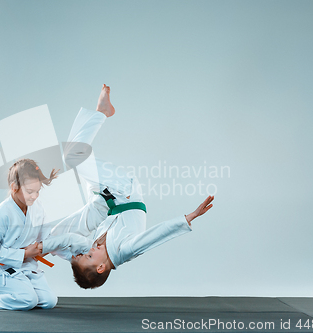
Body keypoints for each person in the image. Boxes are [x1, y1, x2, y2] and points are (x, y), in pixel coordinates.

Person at [41, 84, 214, 289]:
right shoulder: (125, 250)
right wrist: (187, 218)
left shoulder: (97, 252)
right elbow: (156, 235)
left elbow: (77, 252)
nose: (89, 250)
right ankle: (102, 113)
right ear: (101, 268)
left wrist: (49, 250)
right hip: (123, 191)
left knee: (56, 237)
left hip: (104, 202)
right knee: (72, 157)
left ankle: (36, 249)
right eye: (89, 256)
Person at [0, 159, 59, 310]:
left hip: (26, 266)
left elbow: (47, 238)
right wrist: (25, 253)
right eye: (29, 192)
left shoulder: (38, 207)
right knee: (28, 301)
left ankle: (19, 292)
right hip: (0, 268)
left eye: (37, 191)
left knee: (49, 301)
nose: (34, 196)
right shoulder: (0, 214)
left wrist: (64, 249)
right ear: (14, 187)